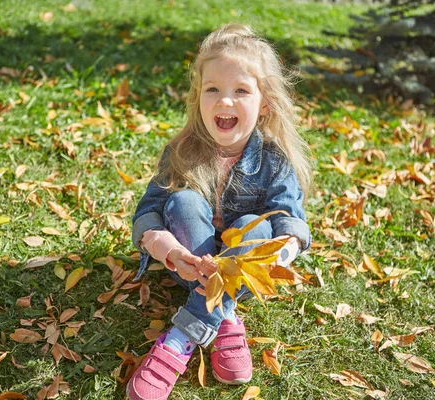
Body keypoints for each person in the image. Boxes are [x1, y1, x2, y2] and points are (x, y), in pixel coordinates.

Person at [127, 23, 312, 400]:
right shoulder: (181, 150)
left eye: (241, 91)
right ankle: (223, 316)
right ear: (198, 97)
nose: (224, 101)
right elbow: (148, 213)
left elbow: (291, 228)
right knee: (182, 200)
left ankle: (180, 338)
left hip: (243, 271)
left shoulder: (274, 162)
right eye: (213, 89)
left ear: (265, 104)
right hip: (189, 266)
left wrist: (264, 256)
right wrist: (172, 253)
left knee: (251, 226)